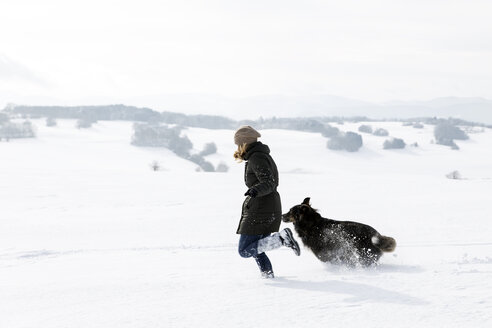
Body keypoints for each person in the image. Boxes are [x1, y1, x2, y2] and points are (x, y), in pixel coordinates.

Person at [233, 125, 300, 279]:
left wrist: (255, 190)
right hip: (265, 206)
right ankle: (267, 277)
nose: (237, 147)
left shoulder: (257, 157)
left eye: (238, 144)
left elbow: (269, 182)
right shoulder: (256, 156)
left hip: (261, 208)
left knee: (244, 250)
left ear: (244, 143)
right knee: (258, 248)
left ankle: (281, 239)